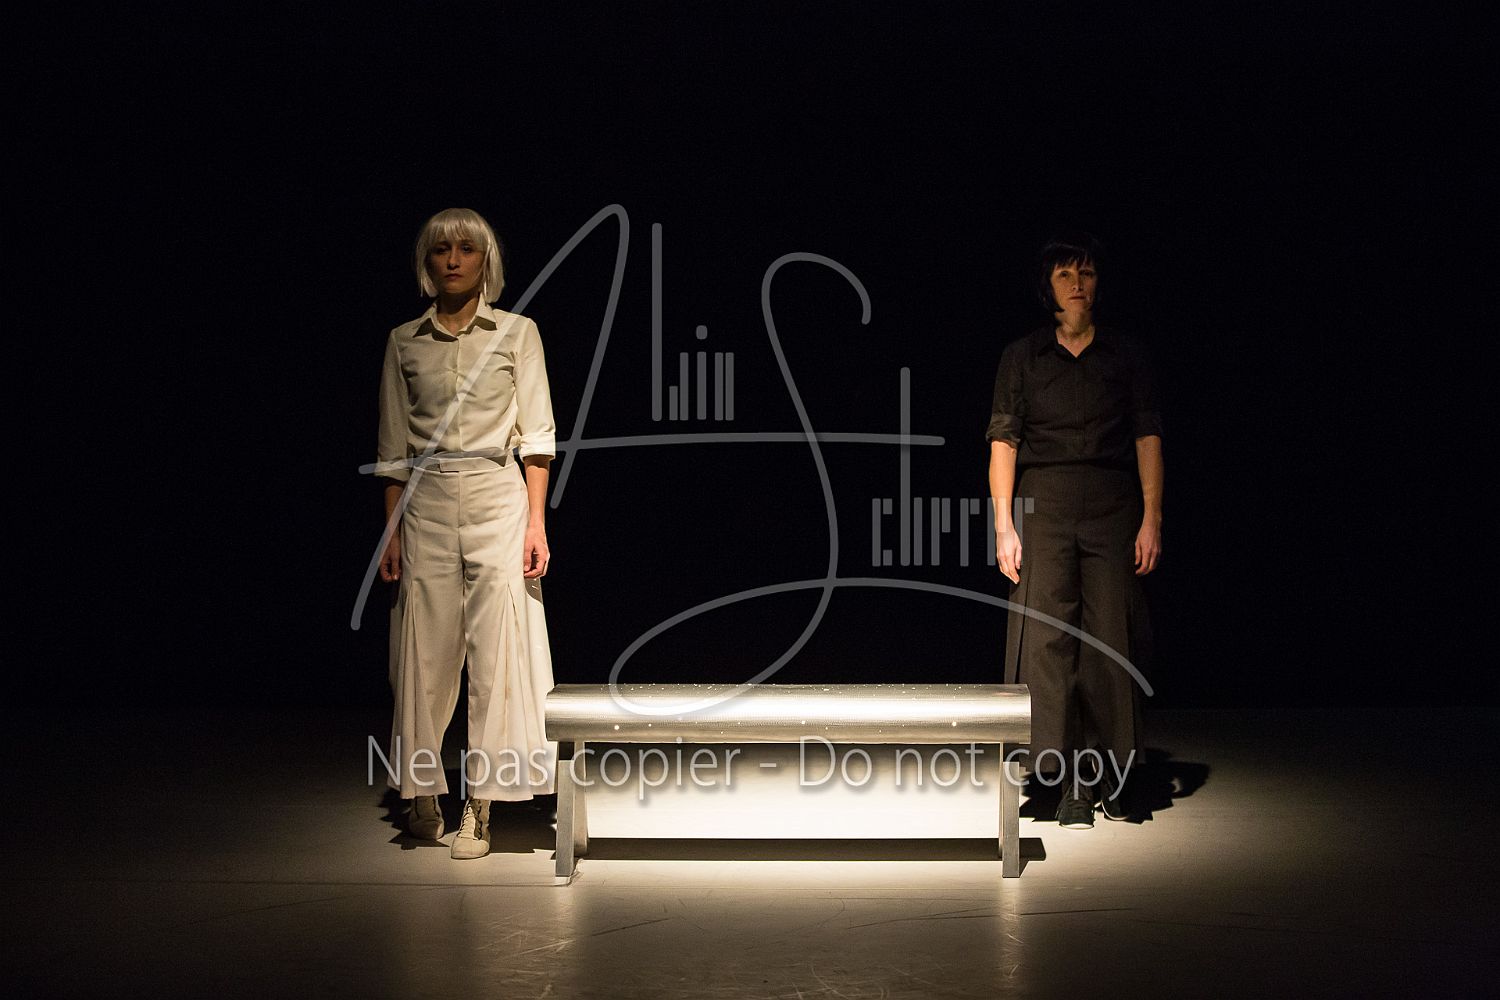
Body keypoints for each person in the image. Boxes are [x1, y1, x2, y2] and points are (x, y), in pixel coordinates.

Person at [375, 208, 558, 859]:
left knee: (498, 650)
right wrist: (392, 532)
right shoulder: (404, 341)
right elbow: (392, 450)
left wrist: (536, 522)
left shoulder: (518, 333)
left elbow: (537, 438)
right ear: (426, 262)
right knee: (422, 653)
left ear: (486, 260)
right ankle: (423, 792)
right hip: (425, 502)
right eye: (441, 250)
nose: (453, 260)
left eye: (466, 249)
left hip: (496, 497)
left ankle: (481, 804)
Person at [986, 233, 1163, 829]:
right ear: (1049, 286)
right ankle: (1064, 779)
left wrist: (1152, 517)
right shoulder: (1023, 356)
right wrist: (1003, 524)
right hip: (1046, 504)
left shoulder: (1125, 354)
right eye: (1065, 274)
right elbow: (1004, 441)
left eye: (1085, 273)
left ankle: (1110, 772)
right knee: (1048, 640)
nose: (1078, 284)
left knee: (1110, 637)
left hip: (1112, 504)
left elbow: (1147, 437)